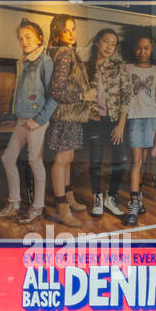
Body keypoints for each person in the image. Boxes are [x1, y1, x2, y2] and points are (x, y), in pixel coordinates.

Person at [0, 19, 54, 226]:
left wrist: (38, 120)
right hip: (22, 118)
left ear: (39, 37)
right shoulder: (23, 61)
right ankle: (14, 204)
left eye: (28, 36)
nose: (23, 41)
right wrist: (13, 115)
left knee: (34, 160)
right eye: (20, 38)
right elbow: (20, 94)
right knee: (8, 158)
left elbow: (53, 96)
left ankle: (37, 207)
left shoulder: (44, 61)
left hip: (37, 119)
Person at [44, 15, 94, 227]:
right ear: (57, 33)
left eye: (73, 29)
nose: (72, 33)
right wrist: (84, 97)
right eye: (66, 30)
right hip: (65, 116)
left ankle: (68, 197)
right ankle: (62, 207)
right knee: (61, 161)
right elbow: (56, 91)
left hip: (72, 116)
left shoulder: (68, 53)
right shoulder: (64, 54)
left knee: (68, 158)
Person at [115, 31, 156, 227]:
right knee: (136, 161)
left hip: (152, 120)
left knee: (143, 161)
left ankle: (139, 196)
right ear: (133, 49)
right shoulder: (127, 68)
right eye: (139, 47)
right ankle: (134, 205)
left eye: (146, 48)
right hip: (134, 119)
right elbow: (122, 95)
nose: (142, 51)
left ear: (153, 49)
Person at [83, 27, 130, 219]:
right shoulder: (86, 66)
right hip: (94, 120)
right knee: (95, 160)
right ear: (97, 42)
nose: (109, 47)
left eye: (113, 44)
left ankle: (111, 197)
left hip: (114, 121)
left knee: (121, 160)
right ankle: (97, 197)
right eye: (105, 42)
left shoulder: (119, 67)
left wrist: (120, 124)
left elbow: (126, 96)